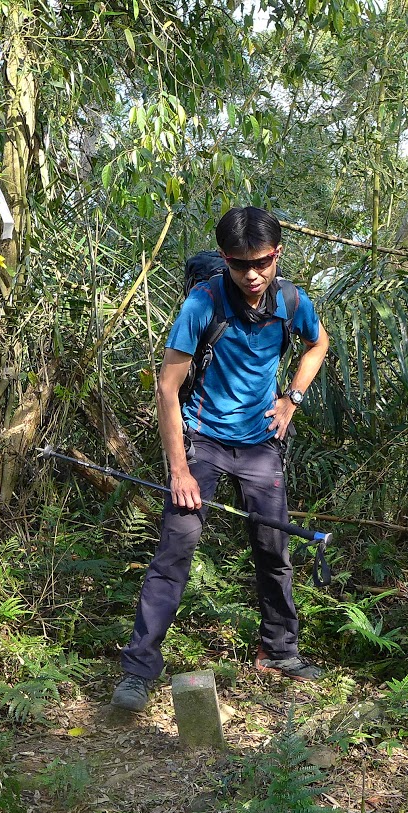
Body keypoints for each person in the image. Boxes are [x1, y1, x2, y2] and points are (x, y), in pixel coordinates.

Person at [111, 206, 332, 713]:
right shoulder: (202, 304)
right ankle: (138, 673)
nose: (252, 275)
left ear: (277, 255)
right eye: (239, 264)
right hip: (202, 442)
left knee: (274, 551)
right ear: (225, 259)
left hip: (260, 445)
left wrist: (292, 399)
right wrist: (179, 471)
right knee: (174, 555)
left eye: (262, 262)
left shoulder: (292, 301)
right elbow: (167, 389)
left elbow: (317, 344)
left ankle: (279, 651)